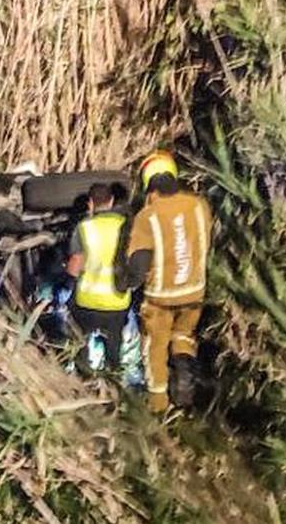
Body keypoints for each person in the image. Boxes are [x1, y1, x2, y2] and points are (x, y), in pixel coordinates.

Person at [121, 150, 212, 413]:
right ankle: (185, 383)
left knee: (155, 347)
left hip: (160, 298)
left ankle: (159, 406)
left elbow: (138, 265)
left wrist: (127, 282)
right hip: (194, 291)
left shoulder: (147, 217)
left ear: (147, 181)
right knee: (183, 335)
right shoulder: (199, 206)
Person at [66, 183, 131, 374]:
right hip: (117, 302)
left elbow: (75, 263)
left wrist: (67, 279)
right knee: (114, 342)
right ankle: (114, 375)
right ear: (111, 201)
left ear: (90, 204)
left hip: (87, 301)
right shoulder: (124, 225)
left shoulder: (84, 227)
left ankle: (83, 375)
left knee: (80, 340)